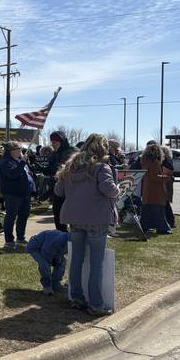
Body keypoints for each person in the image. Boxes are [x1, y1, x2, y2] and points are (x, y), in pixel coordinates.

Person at [54, 133, 119, 316]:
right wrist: (119, 189)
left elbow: (58, 191)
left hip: (75, 219)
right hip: (97, 219)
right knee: (96, 263)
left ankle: (76, 298)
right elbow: (109, 190)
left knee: (76, 260)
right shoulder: (101, 167)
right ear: (102, 148)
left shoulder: (71, 167)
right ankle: (96, 304)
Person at [0, 141, 34, 250]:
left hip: (25, 193)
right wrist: (22, 162)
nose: (21, 151)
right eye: (18, 149)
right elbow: (13, 174)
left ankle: (20, 238)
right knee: (11, 217)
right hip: (13, 194)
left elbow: (28, 174)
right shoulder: (6, 162)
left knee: (23, 216)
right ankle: (9, 241)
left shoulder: (19, 161)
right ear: (11, 151)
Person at [139, 143, 171, 234]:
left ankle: (145, 226)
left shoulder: (145, 161)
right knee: (159, 211)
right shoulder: (154, 162)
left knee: (147, 211)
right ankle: (162, 228)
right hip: (155, 191)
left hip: (147, 190)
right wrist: (166, 177)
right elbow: (155, 177)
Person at [46, 131, 75, 232]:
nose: (53, 144)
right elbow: (51, 169)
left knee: (73, 215)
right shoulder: (54, 154)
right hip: (58, 188)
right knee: (58, 214)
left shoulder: (73, 152)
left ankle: (74, 239)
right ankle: (61, 237)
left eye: (55, 142)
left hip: (71, 188)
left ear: (61, 141)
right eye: (52, 142)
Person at [26, 229, 69, 295]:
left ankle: (55, 283)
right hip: (36, 248)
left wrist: (58, 259)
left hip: (55, 249)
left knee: (62, 262)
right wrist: (54, 260)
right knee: (44, 264)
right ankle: (47, 286)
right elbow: (47, 256)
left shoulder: (69, 240)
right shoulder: (55, 243)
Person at [160, 145, 176, 228]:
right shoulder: (169, 160)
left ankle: (171, 221)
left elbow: (166, 173)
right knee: (165, 203)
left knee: (165, 203)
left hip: (166, 182)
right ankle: (169, 221)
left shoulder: (166, 161)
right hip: (168, 182)